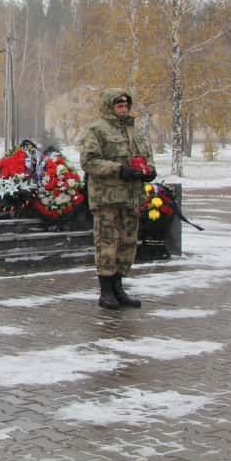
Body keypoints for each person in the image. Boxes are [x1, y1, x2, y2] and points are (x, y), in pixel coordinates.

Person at [79, 89, 156, 310]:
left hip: (131, 196)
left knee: (127, 243)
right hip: (107, 198)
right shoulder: (96, 130)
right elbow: (89, 162)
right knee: (107, 243)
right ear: (109, 106)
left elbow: (146, 156)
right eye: (119, 105)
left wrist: (149, 170)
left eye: (126, 105)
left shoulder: (135, 131)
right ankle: (106, 292)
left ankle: (118, 287)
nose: (124, 108)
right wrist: (119, 170)